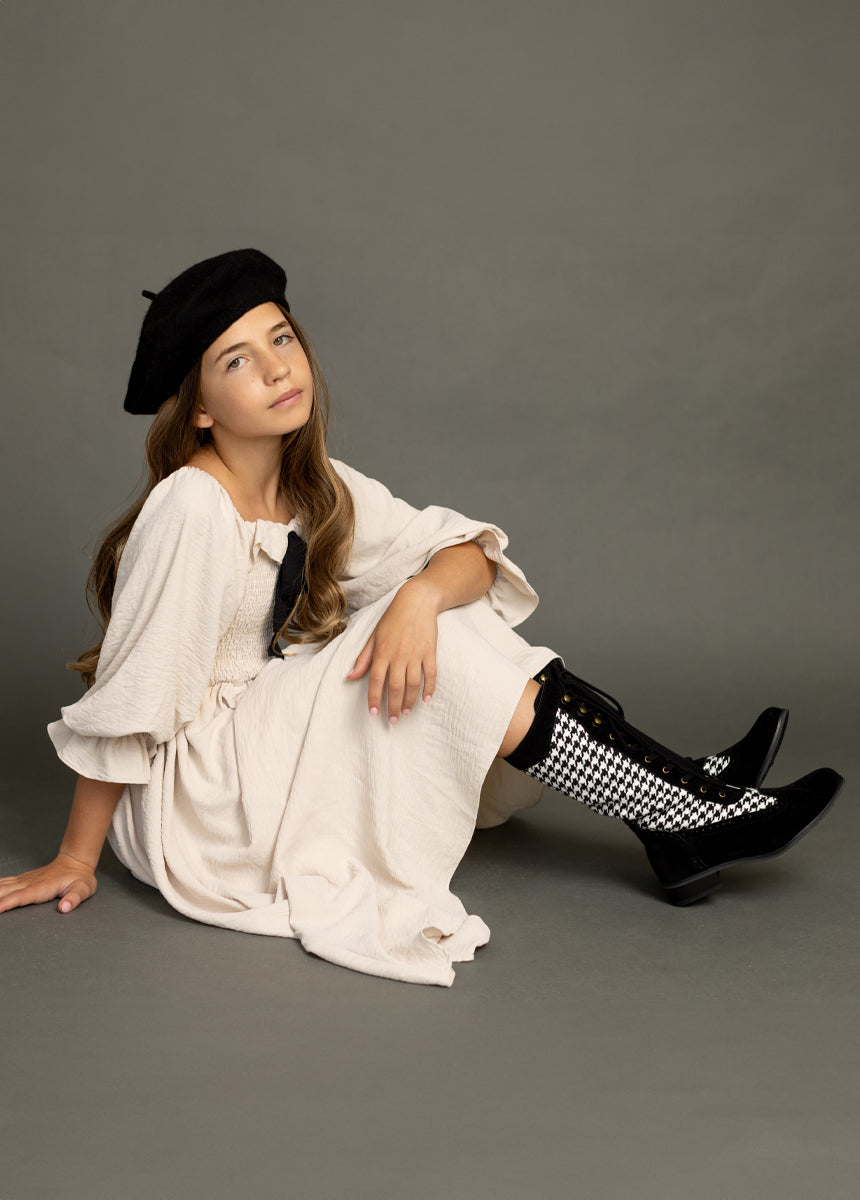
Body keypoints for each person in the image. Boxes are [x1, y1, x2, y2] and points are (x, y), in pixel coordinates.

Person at [0, 249, 843, 987]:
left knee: (434, 612)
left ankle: (681, 796)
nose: (277, 369)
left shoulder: (317, 485)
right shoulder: (191, 505)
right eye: (238, 360)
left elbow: (466, 554)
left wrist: (419, 595)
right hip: (199, 798)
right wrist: (77, 856)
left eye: (282, 339)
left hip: (266, 746)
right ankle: (679, 806)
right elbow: (135, 691)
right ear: (200, 409)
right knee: (415, 629)